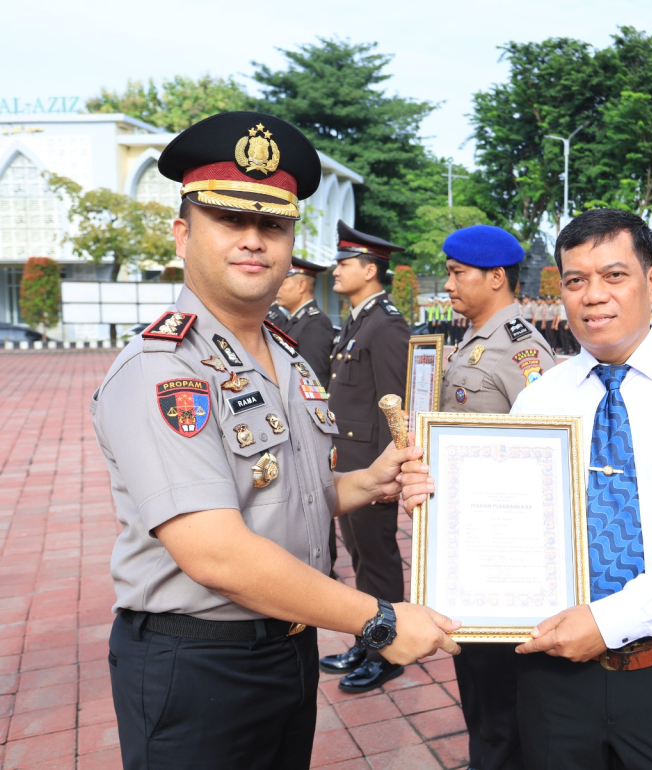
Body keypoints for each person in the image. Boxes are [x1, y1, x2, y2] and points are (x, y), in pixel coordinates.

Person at [93, 111, 459, 770]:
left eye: (272, 225)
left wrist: (366, 483)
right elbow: (216, 554)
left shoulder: (283, 354)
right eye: (231, 221)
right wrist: (378, 620)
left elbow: (280, 498)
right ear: (183, 234)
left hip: (287, 645)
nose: (254, 240)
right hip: (198, 664)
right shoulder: (165, 366)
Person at [403, 209, 652, 770]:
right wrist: (438, 499)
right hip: (553, 674)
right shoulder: (541, 399)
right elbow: (503, 516)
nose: (593, 296)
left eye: (614, 276)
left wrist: (610, 621)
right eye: (575, 281)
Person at [436, 224, 555, 770]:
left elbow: (549, 447)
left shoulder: (523, 349)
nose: (449, 283)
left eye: (459, 273)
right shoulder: (473, 337)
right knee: (475, 676)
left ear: (497, 277)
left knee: (502, 683)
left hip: (504, 547)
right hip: (469, 539)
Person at [317, 221, 412, 692]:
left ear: (370, 270)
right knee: (359, 557)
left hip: (373, 471)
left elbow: (396, 406)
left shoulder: (386, 325)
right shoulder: (358, 321)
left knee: (378, 560)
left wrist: (386, 478)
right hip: (349, 466)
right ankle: (366, 637)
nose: (336, 270)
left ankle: (387, 649)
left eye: (345, 263)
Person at [274, 255, 334, 383]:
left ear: (301, 286)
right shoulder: (295, 320)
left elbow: (315, 377)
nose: (277, 290)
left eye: (282, 284)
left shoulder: (315, 323)